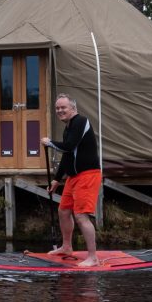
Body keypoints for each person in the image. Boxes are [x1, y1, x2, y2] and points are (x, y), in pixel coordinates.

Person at [41, 94, 102, 266]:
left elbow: (69, 146)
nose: (60, 111)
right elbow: (68, 156)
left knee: (81, 216)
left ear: (73, 108)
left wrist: (50, 142)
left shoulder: (81, 121)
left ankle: (93, 257)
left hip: (88, 175)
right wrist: (56, 180)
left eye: (63, 107)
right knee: (63, 211)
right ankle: (66, 247)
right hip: (73, 177)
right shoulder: (68, 128)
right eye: (57, 108)